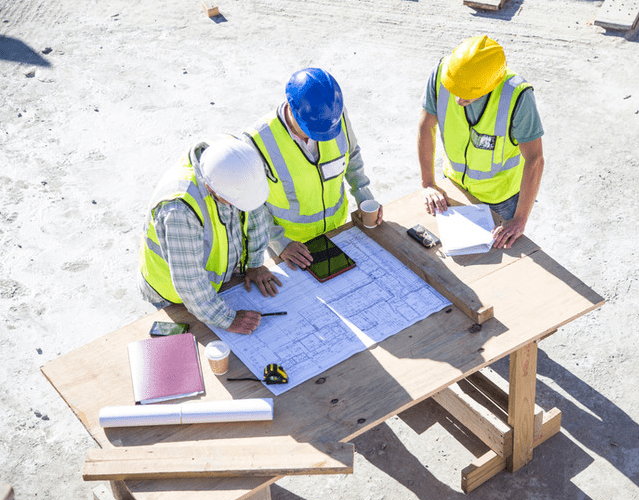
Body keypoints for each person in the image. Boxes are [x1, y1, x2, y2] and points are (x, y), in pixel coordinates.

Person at [241, 68, 382, 270]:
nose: (319, 137)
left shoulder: (333, 117)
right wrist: (279, 242)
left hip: (337, 231)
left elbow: (351, 155)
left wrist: (364, 197)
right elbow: (250, 205)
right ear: (291, 107)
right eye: (313, 129)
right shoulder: (257, 141)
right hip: (292, 248)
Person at [138, 136, 282, 335]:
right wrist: (227, 319)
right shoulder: (179, 208)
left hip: (217, 283)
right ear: (210, 188)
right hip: (173, 296)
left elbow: (255, 214)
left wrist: (255, 264)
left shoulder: (238, 164)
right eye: (233, 202)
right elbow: (189, 281)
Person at [417, 35, 545, 249]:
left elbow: (535, 159)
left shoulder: (517, 97)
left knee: (497, 265)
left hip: (501, 200)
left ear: (491, 85)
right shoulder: (442, 73)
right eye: (454, 90)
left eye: (467, 95)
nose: (458, 100)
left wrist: (520, 219)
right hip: (454, 186)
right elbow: (426, 125)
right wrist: (428, 183)